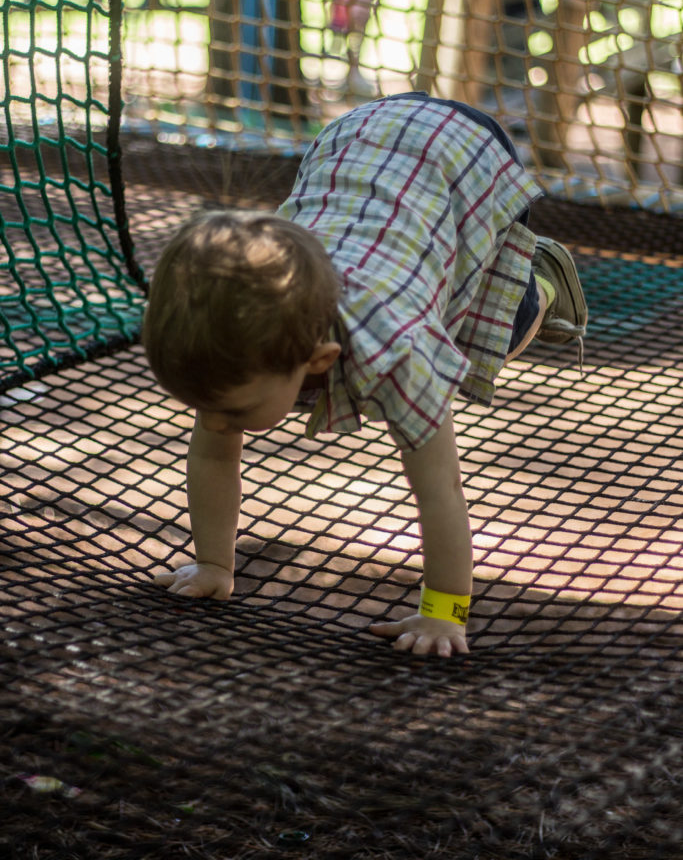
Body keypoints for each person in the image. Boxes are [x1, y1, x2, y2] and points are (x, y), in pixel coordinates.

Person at [143, 92, 587, 657]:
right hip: (357, 139)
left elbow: (440, 488)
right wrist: (212, 563)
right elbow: (211, 454)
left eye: (231, 410)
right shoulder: (233, 347)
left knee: (480, 333)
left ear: (320, 360)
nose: (216, 419)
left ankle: (540, 278)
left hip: (465, 159)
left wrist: (445, 613)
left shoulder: (400, 354)